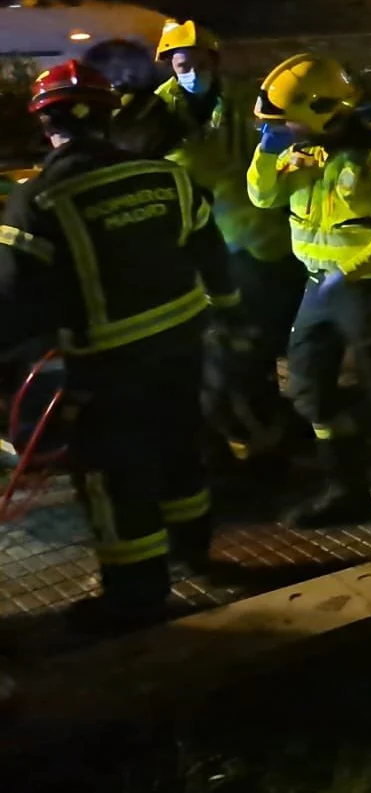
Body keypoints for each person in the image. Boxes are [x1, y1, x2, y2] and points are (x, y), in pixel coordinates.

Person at [0, 62, 237, 630]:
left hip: (108, 364)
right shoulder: (166, 177)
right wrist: (229, 314)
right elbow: (211, 250)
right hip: (183, 345)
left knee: (112, 476)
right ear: (110, 118)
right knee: (180, 447)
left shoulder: (38, 202)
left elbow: (13, 299)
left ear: (44, 123)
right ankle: (193, 547)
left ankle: (136, 594)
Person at [248, 53, 371, 526]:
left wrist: (348, 273)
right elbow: (262, 196)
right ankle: (346, 492)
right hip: (317, 290)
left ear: (322, 110)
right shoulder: (302, 152)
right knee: (310, 391)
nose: (284, 128)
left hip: (365, 290)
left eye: (287, 121)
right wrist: (267, 154)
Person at [154, 21, 302, 463]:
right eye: (184, 64)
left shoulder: (244, 100)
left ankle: (263, 420)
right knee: (222, 346)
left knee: (258, 340)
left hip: (257, 241)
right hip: (200, 248)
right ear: (169, 65)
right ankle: (243, 430)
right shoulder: (156, 112)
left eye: (201, 63)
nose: (193, 71)